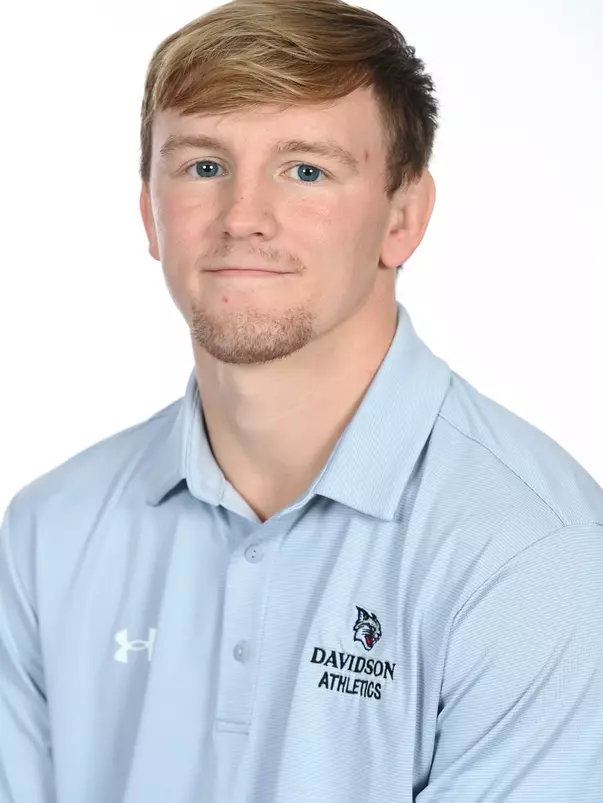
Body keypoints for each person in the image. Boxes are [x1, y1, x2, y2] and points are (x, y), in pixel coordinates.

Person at [1, 0, 602, 801]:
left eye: (306, 170)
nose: (243, 218)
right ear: (150, 212)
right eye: (203, 166)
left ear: (402, 217)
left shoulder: (533, 557)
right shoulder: (51, 527)